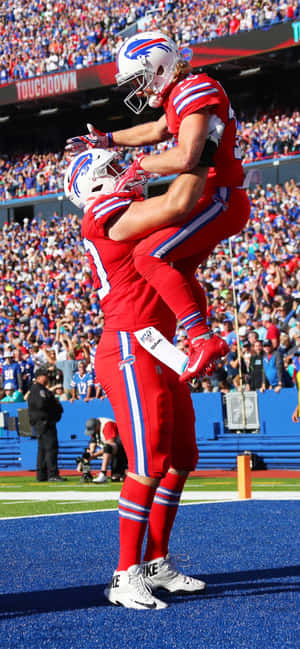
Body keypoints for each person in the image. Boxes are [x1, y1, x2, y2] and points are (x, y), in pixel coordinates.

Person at [64, 149, 206, 609]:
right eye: (113, 168)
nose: (125, 171)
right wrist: (200, 154)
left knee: (182, 456)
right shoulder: (103, 215)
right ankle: (125, 575)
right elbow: (177, 206)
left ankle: (155, 563)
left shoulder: (125, 210)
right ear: (94, 186)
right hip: (130, 344)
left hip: (159, 345)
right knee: (147, 462)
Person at [66, 30, 250, 379]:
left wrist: (141, 167)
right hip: (211, 195)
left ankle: (201, 338)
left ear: (159, 67)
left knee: (148, 255)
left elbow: (186, 156)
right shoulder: (182, 92)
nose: (139, 89)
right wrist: (107, 139)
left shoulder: (195, 88)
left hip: (219, 195)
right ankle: (203, 339)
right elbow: (155, 131)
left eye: (140, 79)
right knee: (174, 268)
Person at [27, 366, 66, 482]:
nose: (48, 377)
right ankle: (52, 474)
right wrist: (55, 404)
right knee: (50, 448)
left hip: (40, 423)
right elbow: (43, 404)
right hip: (45, 422)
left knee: (42, 449)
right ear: (39, 377)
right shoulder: (40, 390)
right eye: (45, 375)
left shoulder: (35, 390)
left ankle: (41, 475)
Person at [81, 417, 127, 483]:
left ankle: (103, 474)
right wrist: (88, 456)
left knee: (107, 447)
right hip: (114, 450)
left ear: (97, 426)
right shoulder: (96, 428)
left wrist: (94, 456)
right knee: (115, 479)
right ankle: (87, 472)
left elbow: (110, 445)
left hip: (123, 450)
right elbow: (93, 442)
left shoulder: (107, 425)